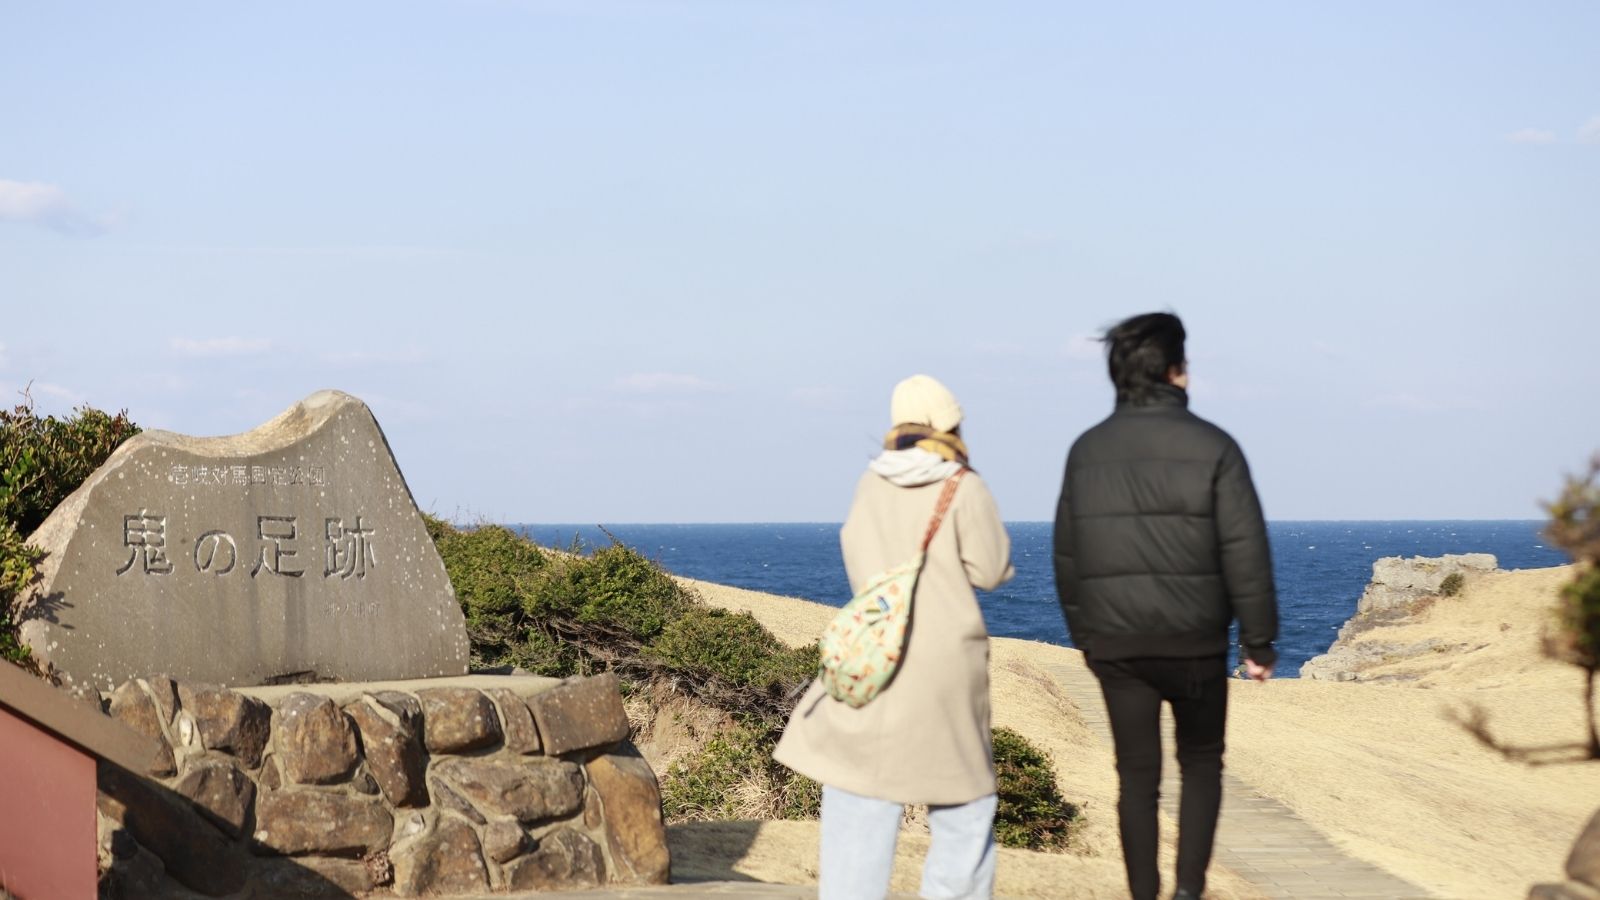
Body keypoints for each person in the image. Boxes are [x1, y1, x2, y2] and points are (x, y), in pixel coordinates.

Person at [1052, 312, 1278, 900]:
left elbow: (1067, 556)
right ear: (1177, 369)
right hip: (1196, 642)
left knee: (1136, 778)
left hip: (1116, 646)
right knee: (1201, 765)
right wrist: (1259, 643)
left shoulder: (1086, 450)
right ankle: (1188, 892)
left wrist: (1086, 636)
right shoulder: (1215, 446)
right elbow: (1245, 551)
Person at [776, 374, 1014, 900]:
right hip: (941, 666)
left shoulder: (871, 481)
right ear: (948, 423)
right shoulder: (961, 483)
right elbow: (991, 568)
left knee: (860, 801)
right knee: (965, 807)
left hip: (874, 656)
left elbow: (856, 556)